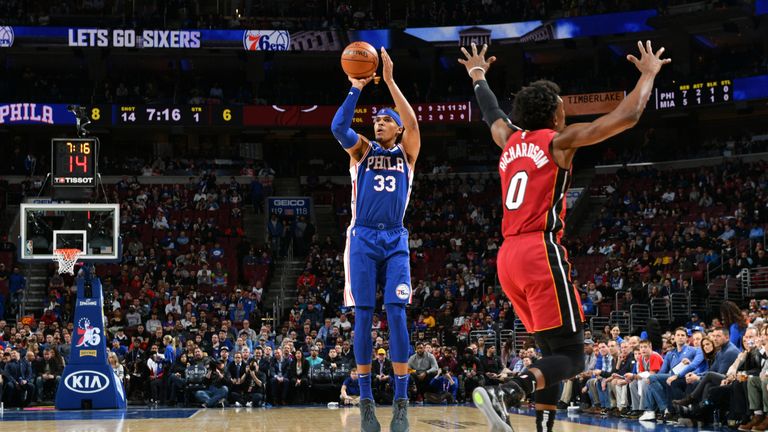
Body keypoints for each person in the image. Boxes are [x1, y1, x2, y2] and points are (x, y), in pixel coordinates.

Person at [458, 40, 671, 432]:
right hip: (539, 250)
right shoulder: (558, 142)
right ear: (556, 113)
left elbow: (490, 110)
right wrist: (648, 74)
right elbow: (627, 117)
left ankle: (541, 428)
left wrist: (477, 75)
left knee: (548, 353)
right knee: (574, 358)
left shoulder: (507, 139)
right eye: (562, 106)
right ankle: (507, 392)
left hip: (507, 258)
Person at [331, 47, 420, 432]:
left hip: (396, 239)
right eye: (378, 119)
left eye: (387, 120)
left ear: (397, 129)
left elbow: (414, 124)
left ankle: (401, 401)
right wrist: (356, 88)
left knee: (398, 314)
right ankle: (366, 399)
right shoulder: (362, 151)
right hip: (363, 238)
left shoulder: (407, 153)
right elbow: (338, 129)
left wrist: (392, 80)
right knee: (364, 318)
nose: (380, 122)